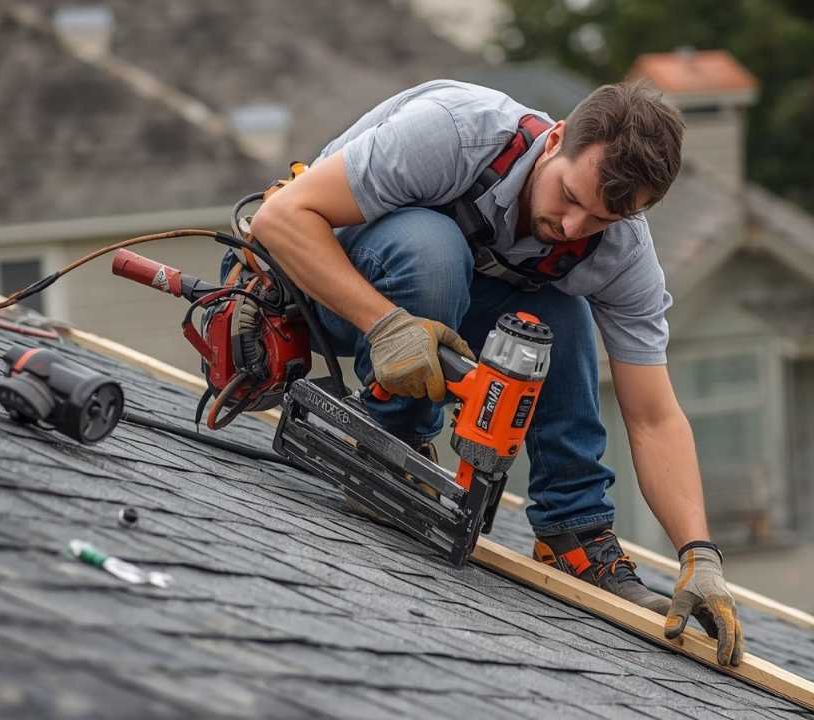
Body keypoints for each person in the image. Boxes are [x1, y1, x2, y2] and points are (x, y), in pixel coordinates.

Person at [250, 80, 743, 665]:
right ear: (555, 140)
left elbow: (655, 416)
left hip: (444, 307)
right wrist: (385, 326)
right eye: (570, 195)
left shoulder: (623, 254)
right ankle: (391, 441)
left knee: (556, 315)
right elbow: (279, 218)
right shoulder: (457, 134)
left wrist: (699, 554)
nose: (574, 226)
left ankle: (573, 531)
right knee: (434, 247)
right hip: (328, 289)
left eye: (602, 219)